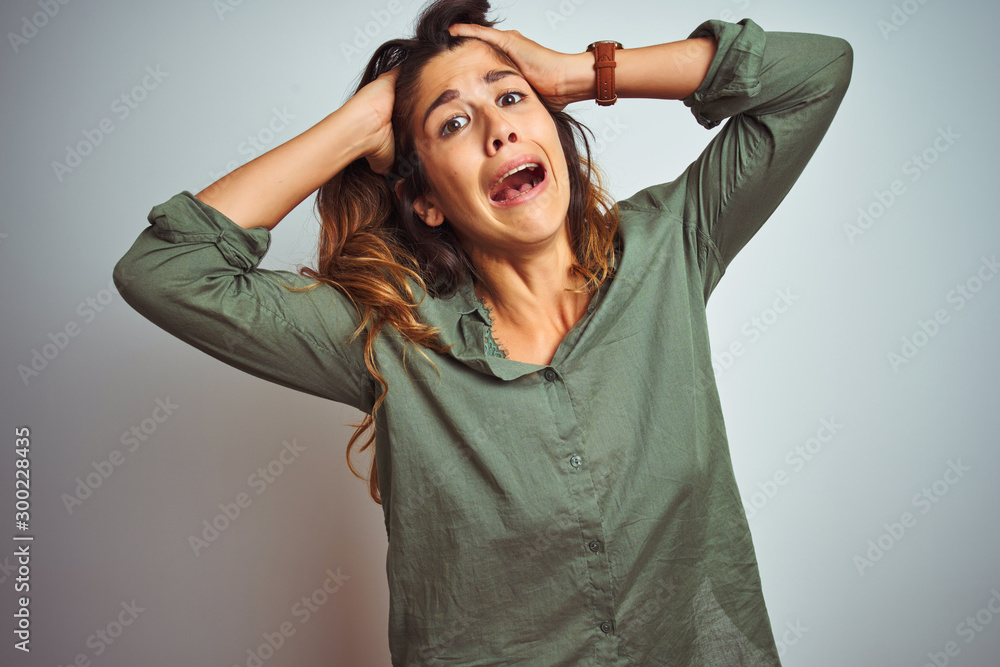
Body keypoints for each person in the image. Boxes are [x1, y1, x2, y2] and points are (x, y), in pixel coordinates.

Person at [113, 0, 852, 663]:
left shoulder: (669, 247)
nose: (499, 129)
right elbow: (166, 269)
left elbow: (817, 71)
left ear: (552, 135)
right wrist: (361, 123)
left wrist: (577, 72)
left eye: (511, 97)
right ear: (426, 199)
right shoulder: (389, 335)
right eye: (454, 122)